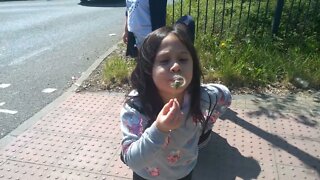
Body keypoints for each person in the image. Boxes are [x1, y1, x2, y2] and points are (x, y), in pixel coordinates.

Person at [120, 26, 232, 180]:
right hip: (147, 175)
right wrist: (160, 129)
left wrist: (206, 127)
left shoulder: (203, 97)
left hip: (184, 172)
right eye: (165, 60)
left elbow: (225, 96)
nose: (176, 66)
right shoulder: (137, 106)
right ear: (148, 69)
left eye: (183, 59)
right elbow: (131, 160)